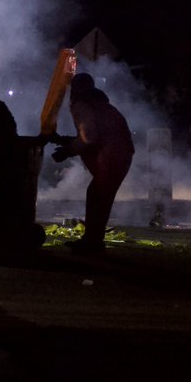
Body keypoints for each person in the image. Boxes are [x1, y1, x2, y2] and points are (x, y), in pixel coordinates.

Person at [50, 73, 135, 253]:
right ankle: (93, 240)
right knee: (100, 196)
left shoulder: (81, 105)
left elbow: (89, 137)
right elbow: (95, 133)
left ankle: (92, 242)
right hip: (123, 154)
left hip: (111, 155)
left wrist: (68, 151)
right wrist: (67, 141)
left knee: (98, 196)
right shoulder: (100, 104)